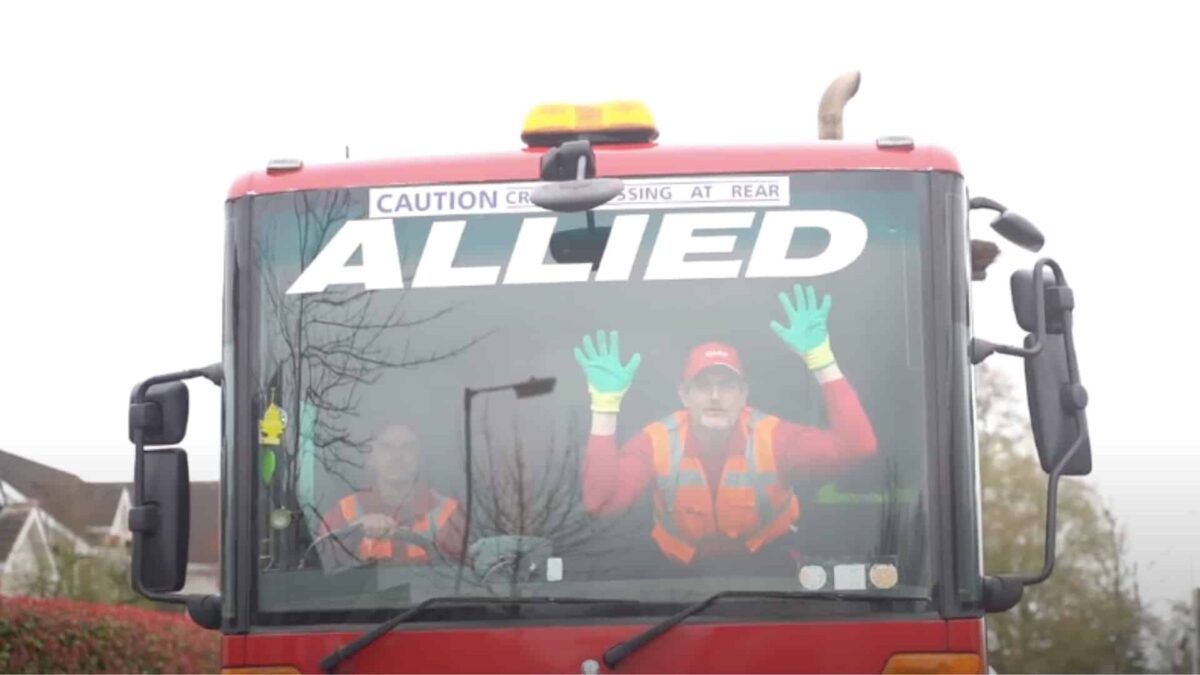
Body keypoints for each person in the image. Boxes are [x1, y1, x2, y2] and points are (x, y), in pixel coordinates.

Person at [575, 283, 878, 569]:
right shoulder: (655, 443)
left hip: (768, 567)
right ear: (684, 394)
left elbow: (858, 448)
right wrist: (605, 406)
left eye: (728, 385)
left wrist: (822, 361)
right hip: (675, 574)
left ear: (744, 394)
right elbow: (601, 504)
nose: (716, 396)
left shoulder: (772, 438)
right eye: (704, 385)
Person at [318, 423, 466, 566]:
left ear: (420, 459)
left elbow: (457, 576)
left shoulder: (449, 514)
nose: (397, 456)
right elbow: (322, 563)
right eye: (386, 448)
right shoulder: (344, 512)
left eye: (407, 448)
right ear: (371, 459)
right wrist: (355, 532)